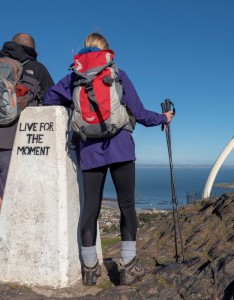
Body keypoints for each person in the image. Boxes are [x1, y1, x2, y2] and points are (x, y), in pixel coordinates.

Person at [43, 32, 174, 286]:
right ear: (106, 51)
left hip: (89, 150)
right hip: (121, 147)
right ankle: (128, 266)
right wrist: (164, 118)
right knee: (126, 204)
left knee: (90, 207)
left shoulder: (73, 78)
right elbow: (140, 113)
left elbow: (49, 98)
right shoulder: (117, 74)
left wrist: (74, 108)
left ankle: (90, 270)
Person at [0, 33, 55, 209]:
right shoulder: (36, 68)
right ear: (33, 50)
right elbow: (53, 99)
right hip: (12, 140)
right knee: (7, 195)